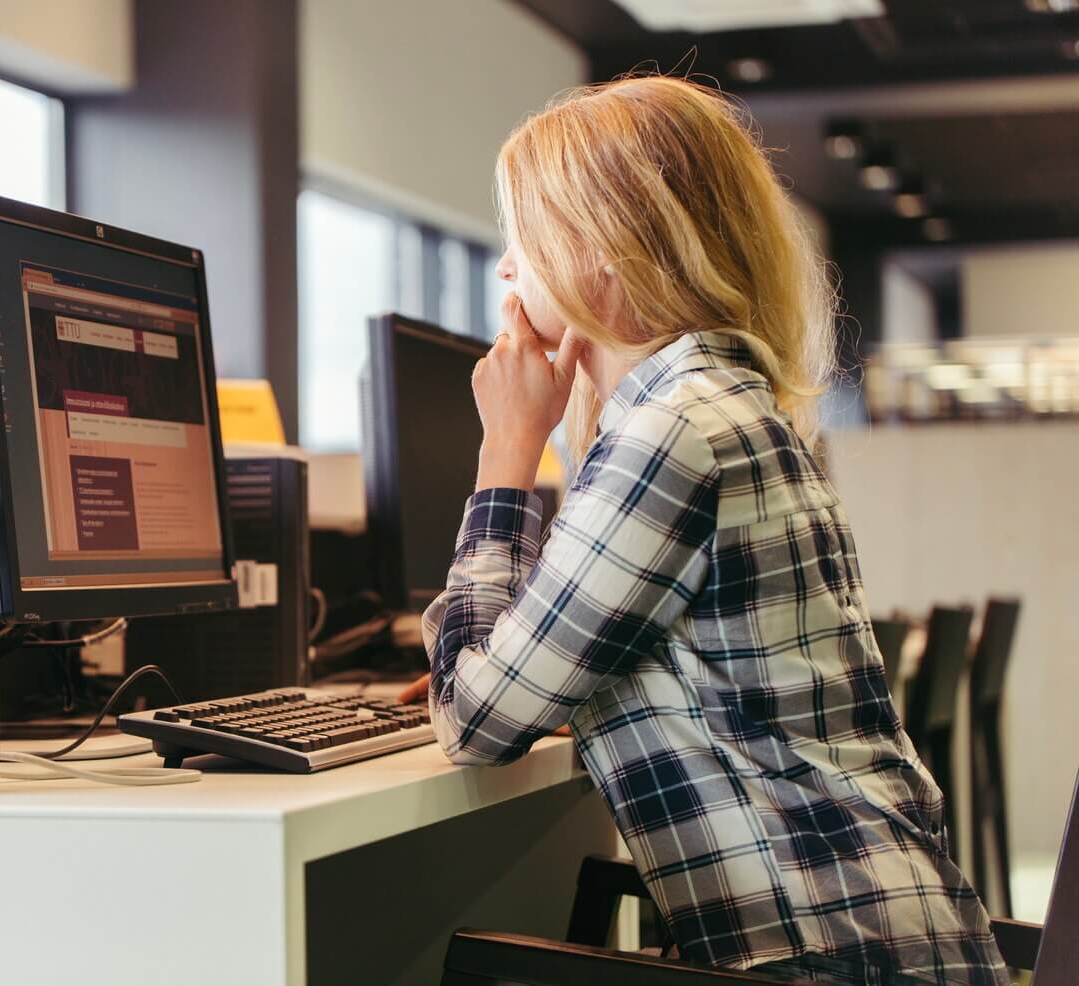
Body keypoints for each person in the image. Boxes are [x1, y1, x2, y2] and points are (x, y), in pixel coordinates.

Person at [402, 76, 1008, 984]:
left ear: (600, 251)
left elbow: (477, 718)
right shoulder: (730, 406)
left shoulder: (669, 433)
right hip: (886, 934)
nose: (504, 267)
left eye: (522, 236)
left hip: (830, 960)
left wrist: (507, 451)